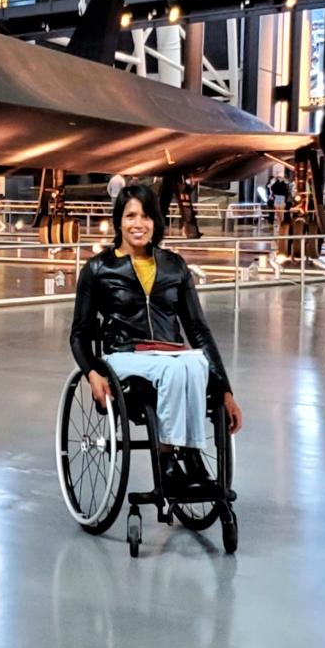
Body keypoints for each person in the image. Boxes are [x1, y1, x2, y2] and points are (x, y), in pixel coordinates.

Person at [69, 184, 242, 496]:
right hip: (124, 355)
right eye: (131, 215)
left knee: (196, 362)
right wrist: (91, 373)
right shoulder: (98, 268)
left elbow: (198, 330)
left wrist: (225, 391)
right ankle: (171, 459)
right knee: (176, 369)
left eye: (147, 216)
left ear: (156, 222)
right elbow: (79, 333)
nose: (139, 223)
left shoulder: (174, 265)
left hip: (170, 354)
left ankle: (187, 456)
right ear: (119, 221)